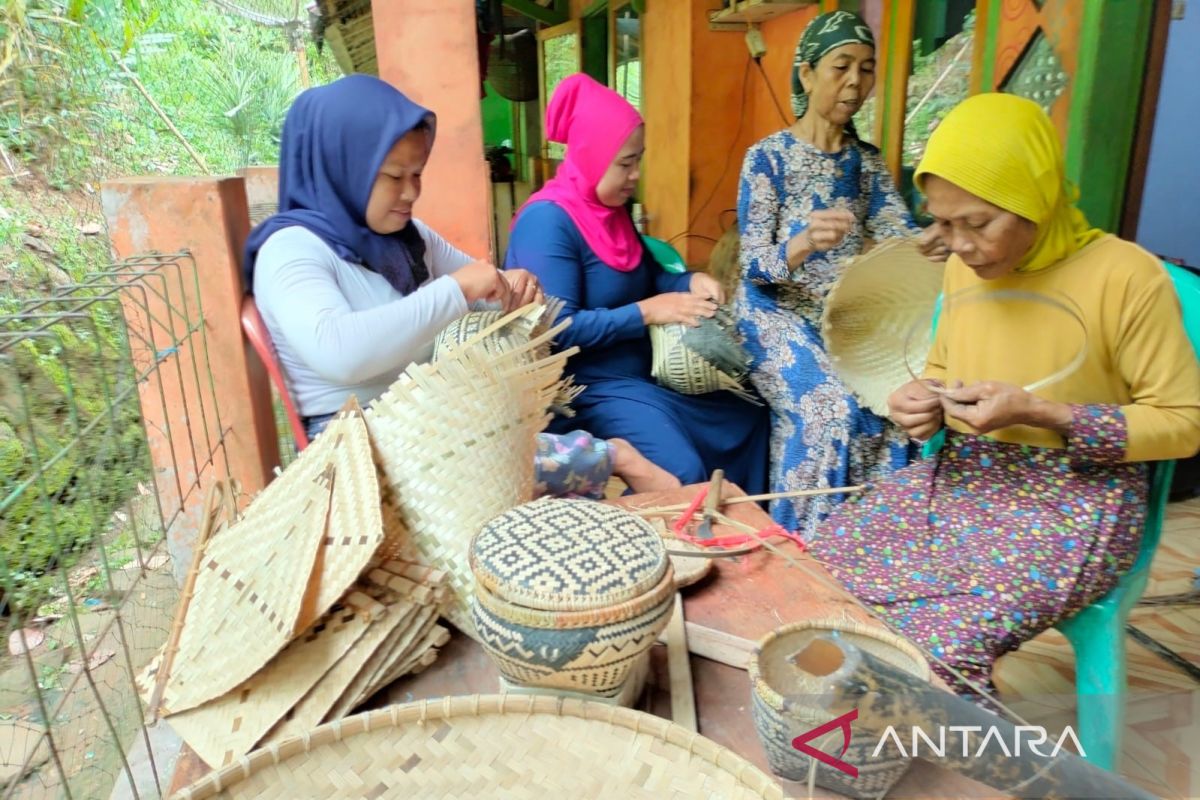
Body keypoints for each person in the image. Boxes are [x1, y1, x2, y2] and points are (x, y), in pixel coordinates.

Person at [807, 93, 1200, 697]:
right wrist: (920, 402)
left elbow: (1184, 422)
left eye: (978, 223)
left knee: (933, 644)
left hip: (1074, 501)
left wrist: (1043, 414)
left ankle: (947, 772)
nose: (958, 244)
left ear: (1033, 200)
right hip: (964, 479)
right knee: (817, 573)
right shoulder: (966, 269)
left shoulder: (1127, 277)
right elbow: (941, 369)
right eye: (942, 222)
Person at [244, 74, 679, 498]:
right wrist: (456, 291)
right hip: (357, 444)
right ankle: (618, 463)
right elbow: (340, 353)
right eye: (395, 177)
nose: (411, 192)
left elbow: (486, 290)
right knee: (558, 461)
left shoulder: (405, 238)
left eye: (417, 174)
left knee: (538, 452)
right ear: (343, 168)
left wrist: (513, 287)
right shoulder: (291, 251)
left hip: (430, 420)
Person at [505, 74, 769, 493]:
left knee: (748, 419)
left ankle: (735, 537)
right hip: (585, 387)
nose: (635, 175)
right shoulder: (549, 221)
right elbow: (558, 330)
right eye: (625, 163)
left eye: (638, 160)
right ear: (591, 156)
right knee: (678, 468)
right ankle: (666, 551)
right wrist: (647, 312)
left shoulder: (612, 211)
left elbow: (651, 277)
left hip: (642, 375)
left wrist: (691, 280)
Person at [735, 10, 945, 536]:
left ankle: (867, 547)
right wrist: (804, 241)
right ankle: (800, 550)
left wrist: (933, 240)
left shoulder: (865, 163)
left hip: (844, 312)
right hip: (773, 312)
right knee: (828, 412)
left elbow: (897, 231)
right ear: (806, 74)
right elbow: (754, 266)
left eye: (867, 69)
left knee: (896, 408)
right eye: (841, 66)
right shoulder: (767, 159)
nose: (856, 81)